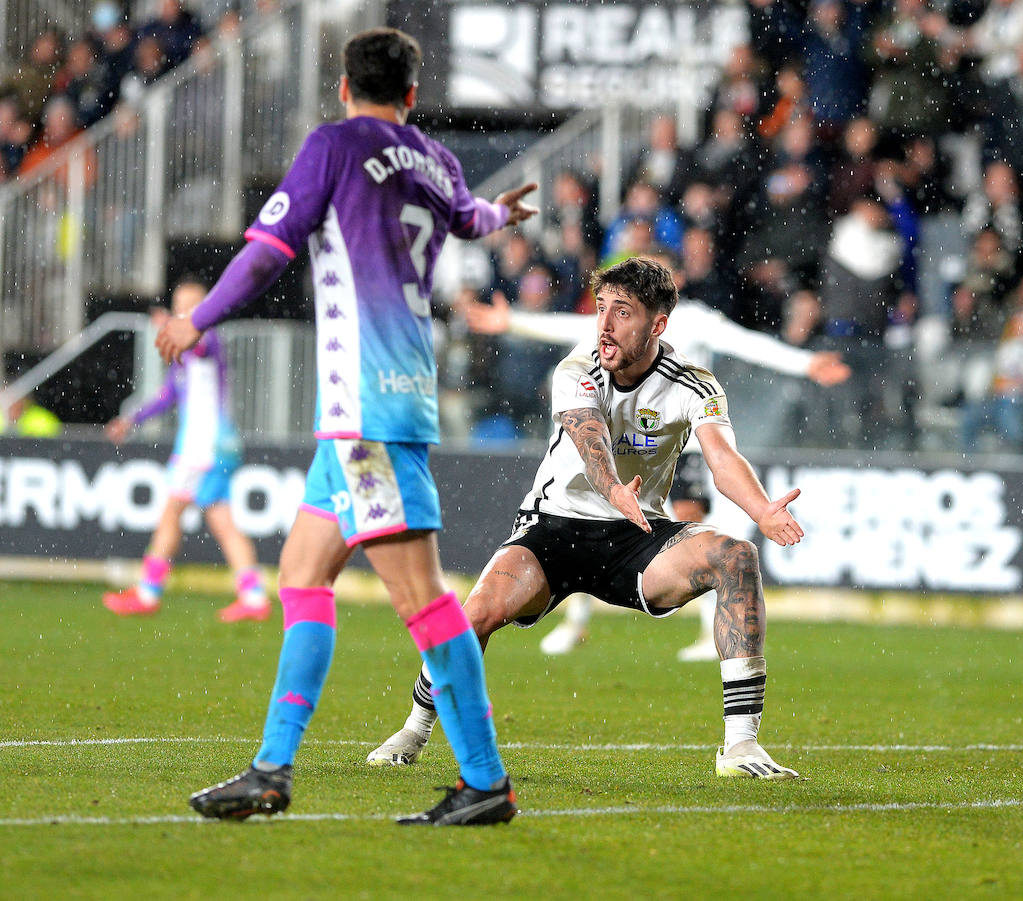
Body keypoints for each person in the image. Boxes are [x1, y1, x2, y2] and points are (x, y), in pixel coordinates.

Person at [155, 27, 537, 825]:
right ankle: (270, 770)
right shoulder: (435, 159)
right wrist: (501, 214)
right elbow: (467, 220)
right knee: (301, 575)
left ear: (341, 87)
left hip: (367, 413)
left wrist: (201, 318)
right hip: (366, 414)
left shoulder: (334, 145)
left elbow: (267, 250)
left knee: (425, 602)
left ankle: (485, 782)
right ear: (410, 95)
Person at [370, 258, 805, 779]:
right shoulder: (578, 369)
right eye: (600, 309)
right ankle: (413, 731)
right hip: (554, 528)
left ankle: (740, 748)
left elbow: (722, 457)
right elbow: (588, 436)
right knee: (478, 614)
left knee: (736, 556)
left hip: (636, 534)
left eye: (622, 313)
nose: (604, 325)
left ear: (658, 325)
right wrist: (614, 489)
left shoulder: (696, 384)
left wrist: (761, 509)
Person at [418, 283, 848, 669]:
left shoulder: (694, 322)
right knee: (587, 524)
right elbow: (573, 326)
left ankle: (705, 629)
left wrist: (805, 363)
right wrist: (514, 321)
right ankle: (579, 619)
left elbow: (748, 344)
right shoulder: (605, 339)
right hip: (616, 450)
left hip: (683, 447)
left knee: (690, 527)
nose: (612, 315)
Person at [102, 279, 268, 622]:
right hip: (214, 445)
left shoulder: (206, 338)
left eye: (190, 306)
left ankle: (149, 592)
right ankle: (253, 595)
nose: (183, 312)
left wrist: (169, 326)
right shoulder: (188, 352)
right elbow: (169, 395)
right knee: (220, 519)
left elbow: (201, 349)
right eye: (179, 305)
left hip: (204, 446)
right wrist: (131, 419)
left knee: (173, 512)